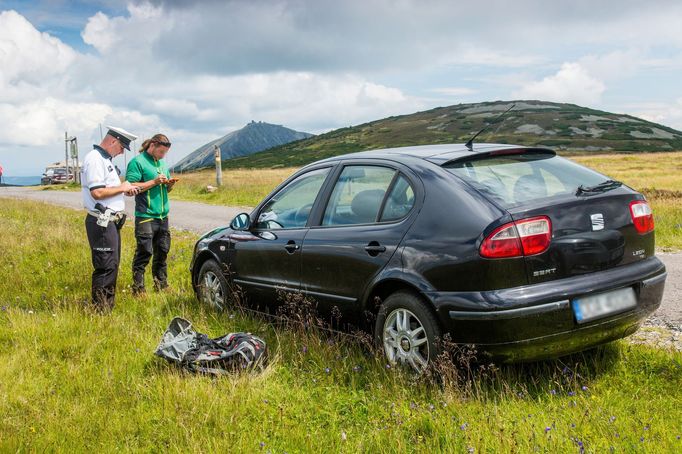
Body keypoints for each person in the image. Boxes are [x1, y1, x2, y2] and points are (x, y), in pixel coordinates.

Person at [81, 126, 139, 312]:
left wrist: (124, 190)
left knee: (112, 263)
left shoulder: (105, 159)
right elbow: (97, 192)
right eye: (122, 147)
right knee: (105, 265)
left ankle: (106, 307)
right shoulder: (95, 159)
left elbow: (109, 189)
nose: (122, 152)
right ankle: (100, 310)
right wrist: (122, 188)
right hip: (101, 221)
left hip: (110, 221)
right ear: (113, 141)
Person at [126, 134, 177, 294]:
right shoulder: (137, 162)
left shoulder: (161, 162)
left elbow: (165, 188)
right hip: (145, 215)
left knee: (162, 251)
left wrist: (169, 185)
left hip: (162, 216)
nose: (163, 156)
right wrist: (154, 181)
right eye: (161, 152)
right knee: (144, 252)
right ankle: (138, 289)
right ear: (153, 145)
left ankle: (161, 284)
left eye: (165, 153)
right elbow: (130, 186)